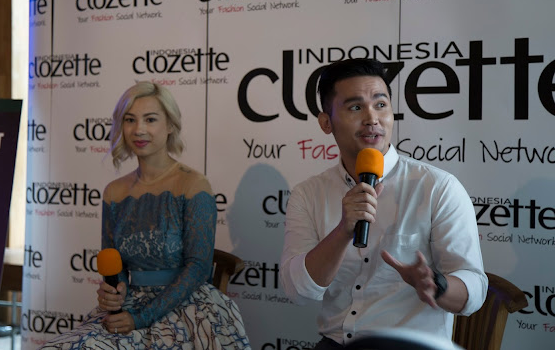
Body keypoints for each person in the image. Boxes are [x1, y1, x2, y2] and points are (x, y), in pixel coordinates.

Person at [279, 59, 487, 349]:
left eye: (380, 105)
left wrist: (436, 284)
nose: (371, 119)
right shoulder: (308, 193)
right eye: (355, 107)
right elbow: (298, 291)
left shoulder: (437, 187)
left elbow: (475, 290)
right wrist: (342, 231)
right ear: (326, 122)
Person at [40, 81, 250, 349]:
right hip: (130, 308)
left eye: (150, 119)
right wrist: (114, 294)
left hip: (189, 308)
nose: (139, 129)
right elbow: (115, 266)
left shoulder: (193, 185)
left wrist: (141, 318)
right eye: (130, 120)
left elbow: (198, 268)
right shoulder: (114, 192)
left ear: (170, 125)